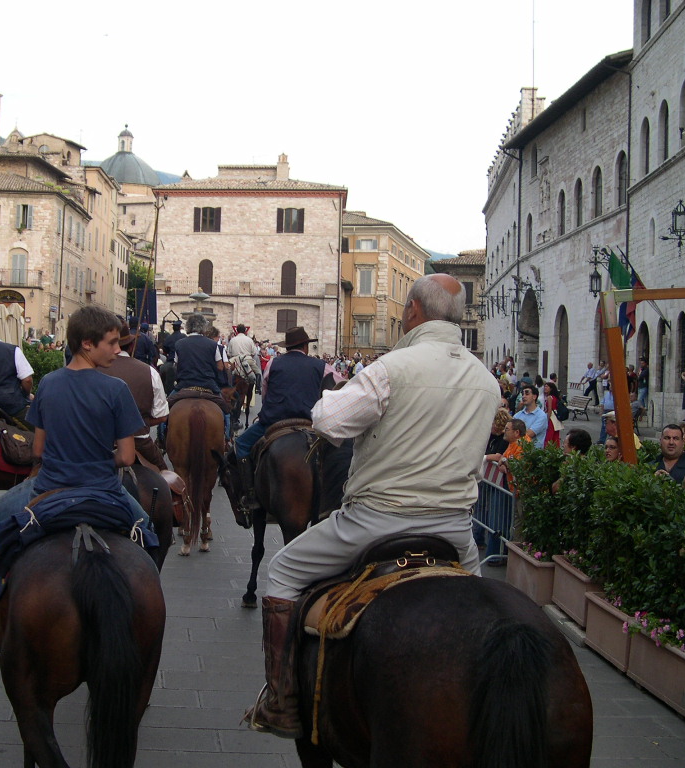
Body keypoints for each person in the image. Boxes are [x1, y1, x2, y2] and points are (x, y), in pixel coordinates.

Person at [244, 273, 497, 738]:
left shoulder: (392, 368)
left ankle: (280, 699)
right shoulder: (486, 380)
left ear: (414, 312)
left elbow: (329, 420)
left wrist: (332, 398)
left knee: (281, 570)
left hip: (376, 522)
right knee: (483, 607)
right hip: (457, 531)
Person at [0, 306, 155, 653]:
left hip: (48, 487)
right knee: (149, 531)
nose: (118, 350)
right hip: (103, 489)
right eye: (112, 343)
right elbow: (127, 458)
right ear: (87, 343)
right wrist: (98, 456)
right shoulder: (116, 390)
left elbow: (38, 448)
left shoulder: (49, 383)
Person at [233, 327, 334, 512]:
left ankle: (250, 493)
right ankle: (334, 496)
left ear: (287, 347)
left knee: (241, 444)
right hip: (309, 421)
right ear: (305, 346)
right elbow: (340, 386)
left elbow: (265, 393)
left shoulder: (273, 363)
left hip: (274, 421)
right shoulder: (322, 366)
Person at [98, 322, 169, 469]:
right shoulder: (149, 372)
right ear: (131, 346)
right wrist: (140, 422)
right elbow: (162, 416)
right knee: (168, 479)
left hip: (100, 442)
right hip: (139, 441)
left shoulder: (93, 369)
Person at [167, 313, 232, 442]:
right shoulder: (212, 345)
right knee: (226, 413)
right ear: (203, 327)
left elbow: (175, 365)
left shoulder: (180, 344)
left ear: (188, 327)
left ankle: (162, 436)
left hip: (184, 385)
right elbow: (220, 367)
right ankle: (227, 437)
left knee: (165, 411)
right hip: (208, 385)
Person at [513, 384, 548, 450]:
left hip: (533, 454)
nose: (523, 396)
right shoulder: (518, 415)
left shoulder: (541, 416)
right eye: (522, 394)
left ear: (534, 397)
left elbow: (529, 434)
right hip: (516, 452)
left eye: (527, 394)